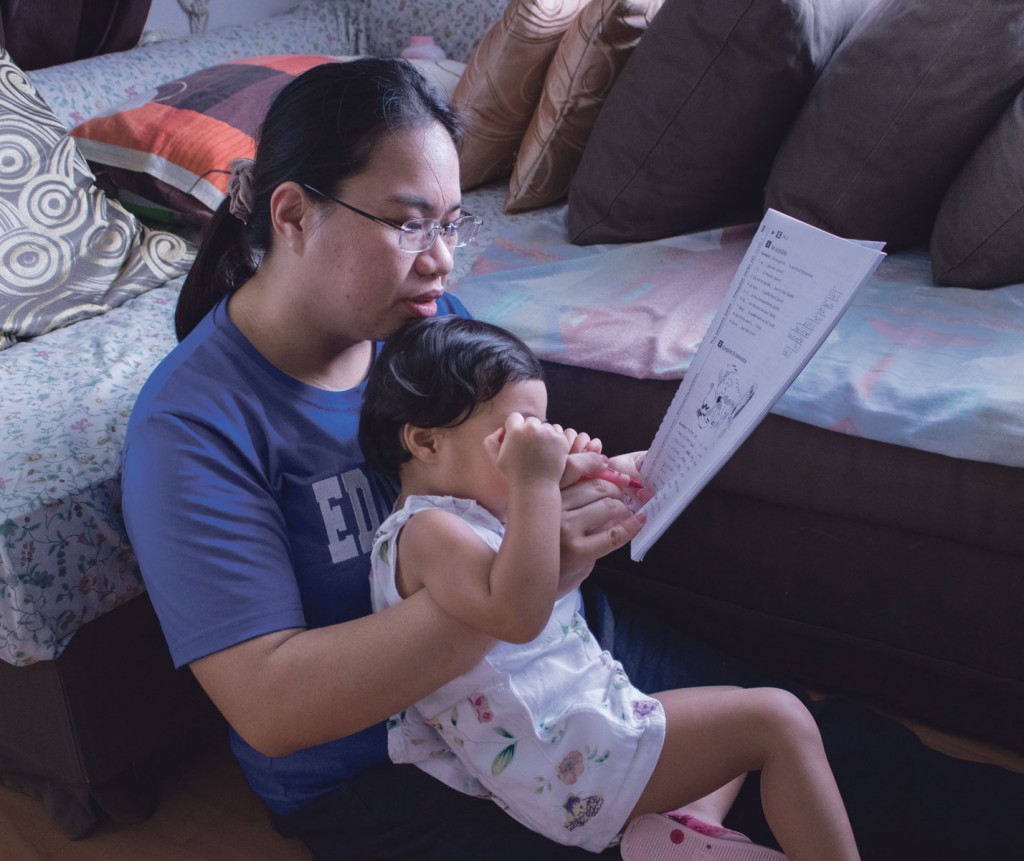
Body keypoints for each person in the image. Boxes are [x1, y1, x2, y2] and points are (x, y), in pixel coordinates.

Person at [120, 56, 1024, 861]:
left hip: (554, 663)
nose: (439, 262)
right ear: (293, 214)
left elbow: (513, 484)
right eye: (406, 225)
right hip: (396, 765)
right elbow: (275, 710)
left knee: (834, 750)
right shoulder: (193, 429)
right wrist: (538, 570)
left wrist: (605, 482)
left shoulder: (425, 328)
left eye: (450, 225)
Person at [361, 313, 863, 860]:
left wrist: (618, 469)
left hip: (583, 728)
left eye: (544, 428)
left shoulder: (486, 510)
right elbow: (518, 611)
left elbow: (584, 504)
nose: (542, 444)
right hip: (559, 767)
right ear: (425, 443)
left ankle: (682, 831)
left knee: (734, 705)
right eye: (518, 434)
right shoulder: (424, 532)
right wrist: (535, 479)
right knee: (779, 719)